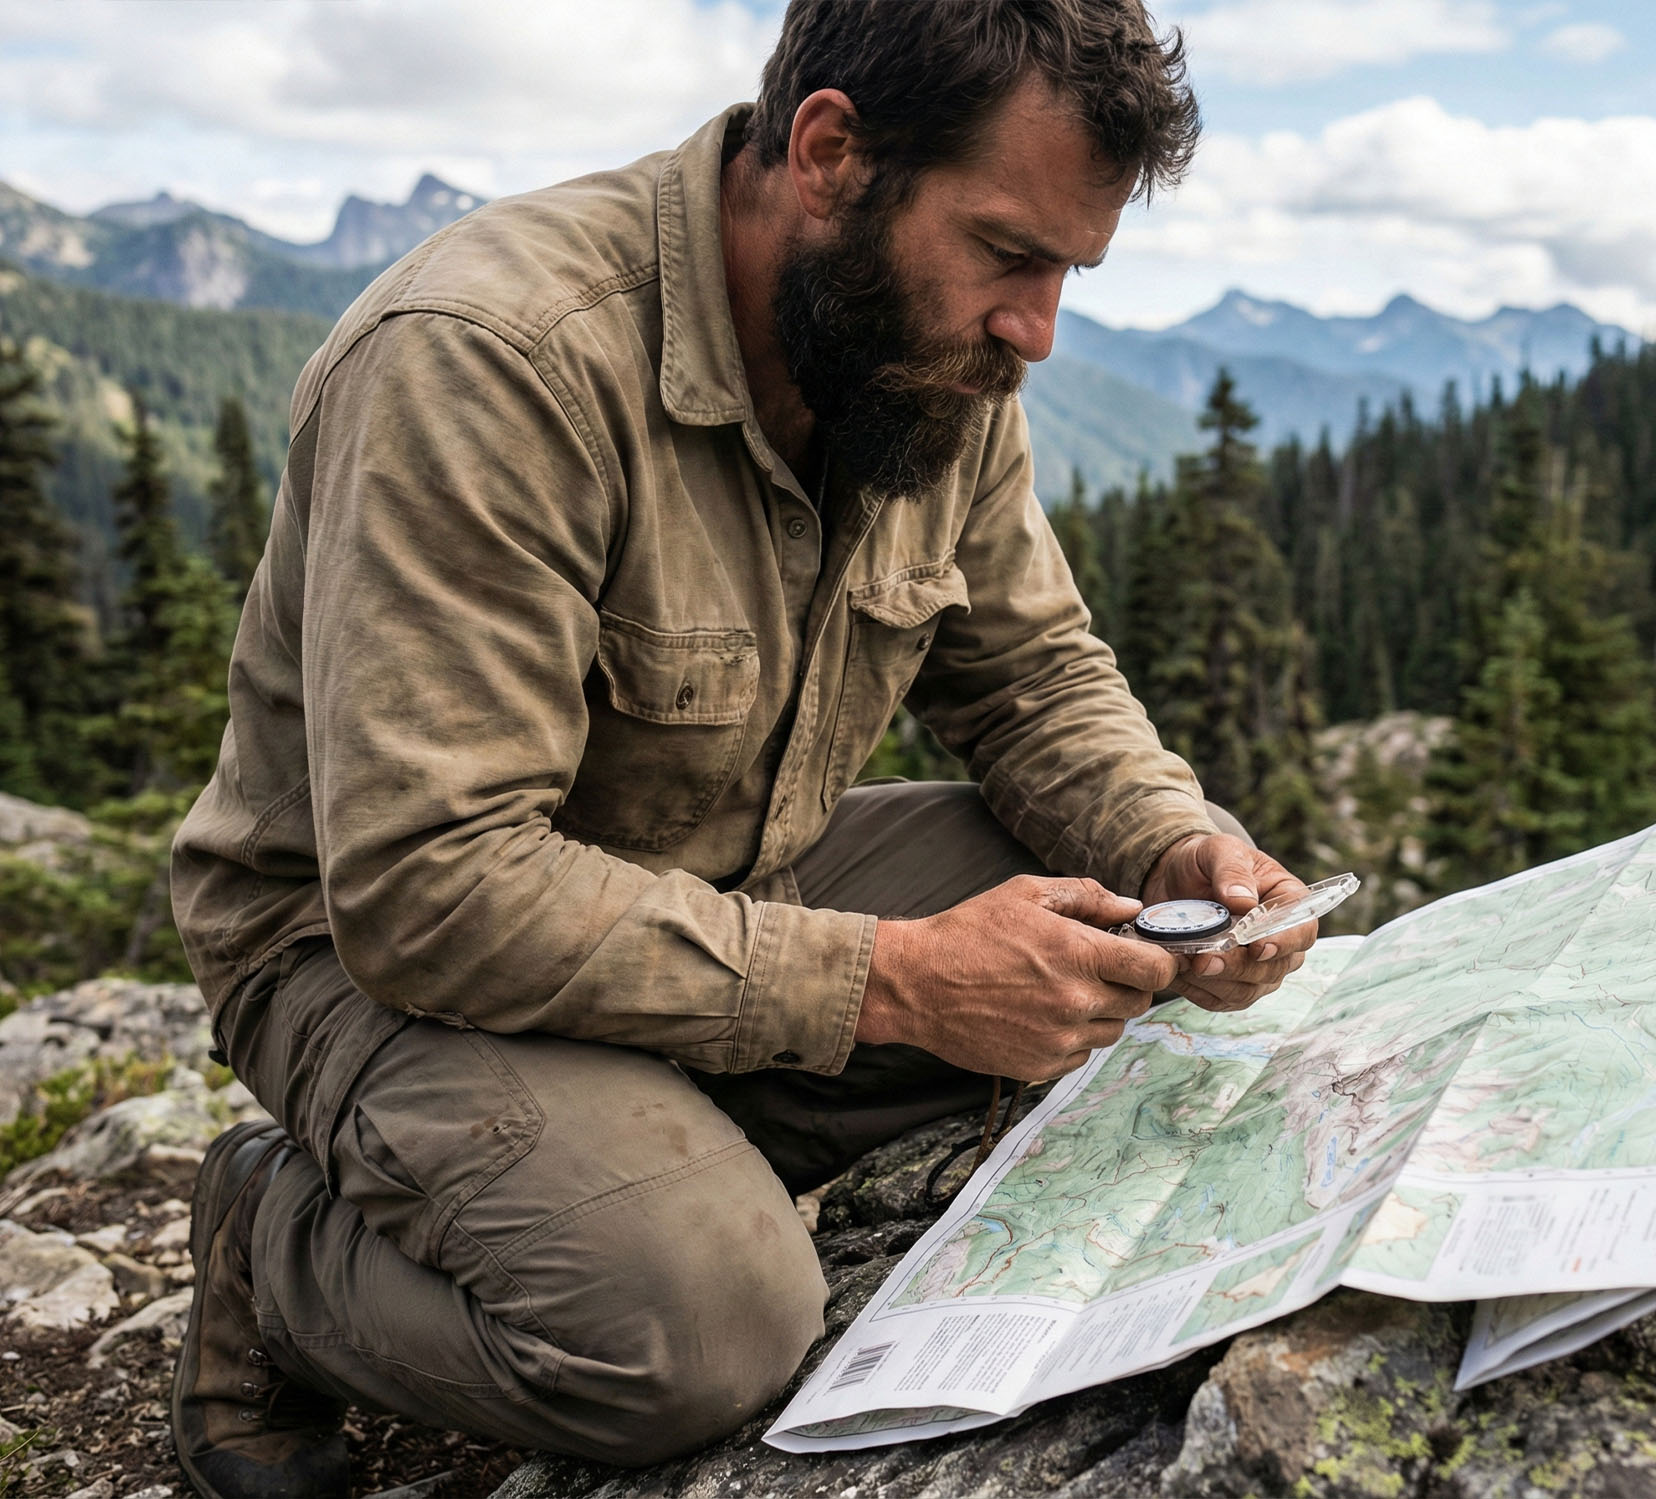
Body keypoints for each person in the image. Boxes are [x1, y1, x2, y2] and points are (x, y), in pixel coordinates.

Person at [166, 3, 1318, 1496]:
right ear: (830, 153)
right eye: (1005, 254)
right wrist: (897, 981)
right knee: (702, 1330)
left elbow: (1033, 678)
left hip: (713, 877)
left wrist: (1175, 844)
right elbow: (429, 885)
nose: (1034, 330)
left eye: (1068, 274)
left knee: (1124, 948)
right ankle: (272, 1248)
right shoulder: (490, 360)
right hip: (367, 951)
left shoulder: (929, 364)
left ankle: (644, 1143)